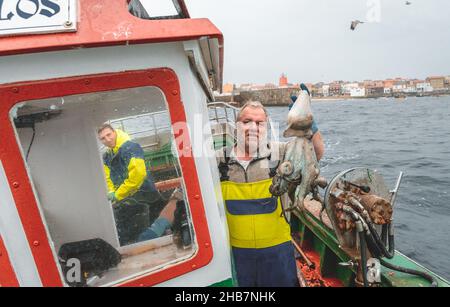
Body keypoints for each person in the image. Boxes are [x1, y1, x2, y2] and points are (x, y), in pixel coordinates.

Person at [217, 101, 301, 287]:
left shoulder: (280, 152)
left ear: (266, 126)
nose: (253, 127)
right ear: (236, 124)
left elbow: (313, 155)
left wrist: (308, 128)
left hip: (278, 255)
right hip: (237, 255)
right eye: (247, 121)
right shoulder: (218, 159)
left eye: (259, 123)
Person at [98, 123, 165, 245]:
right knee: (145, 233)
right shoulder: (107, 156)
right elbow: (108, 177)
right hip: (129, 199)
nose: (107, 139)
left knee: (152, 232)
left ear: (115, 132)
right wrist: (112, 191)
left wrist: (118, 194)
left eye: (109, 134)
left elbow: (138, 175)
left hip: (146, 195)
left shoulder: (130, 147)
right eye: (103, 138)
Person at [289, 84, 325, 161]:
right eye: (255, 122)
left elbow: (317, 154)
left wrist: (308, 124)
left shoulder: (275, 152)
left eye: (260, 123)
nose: (256, 127)